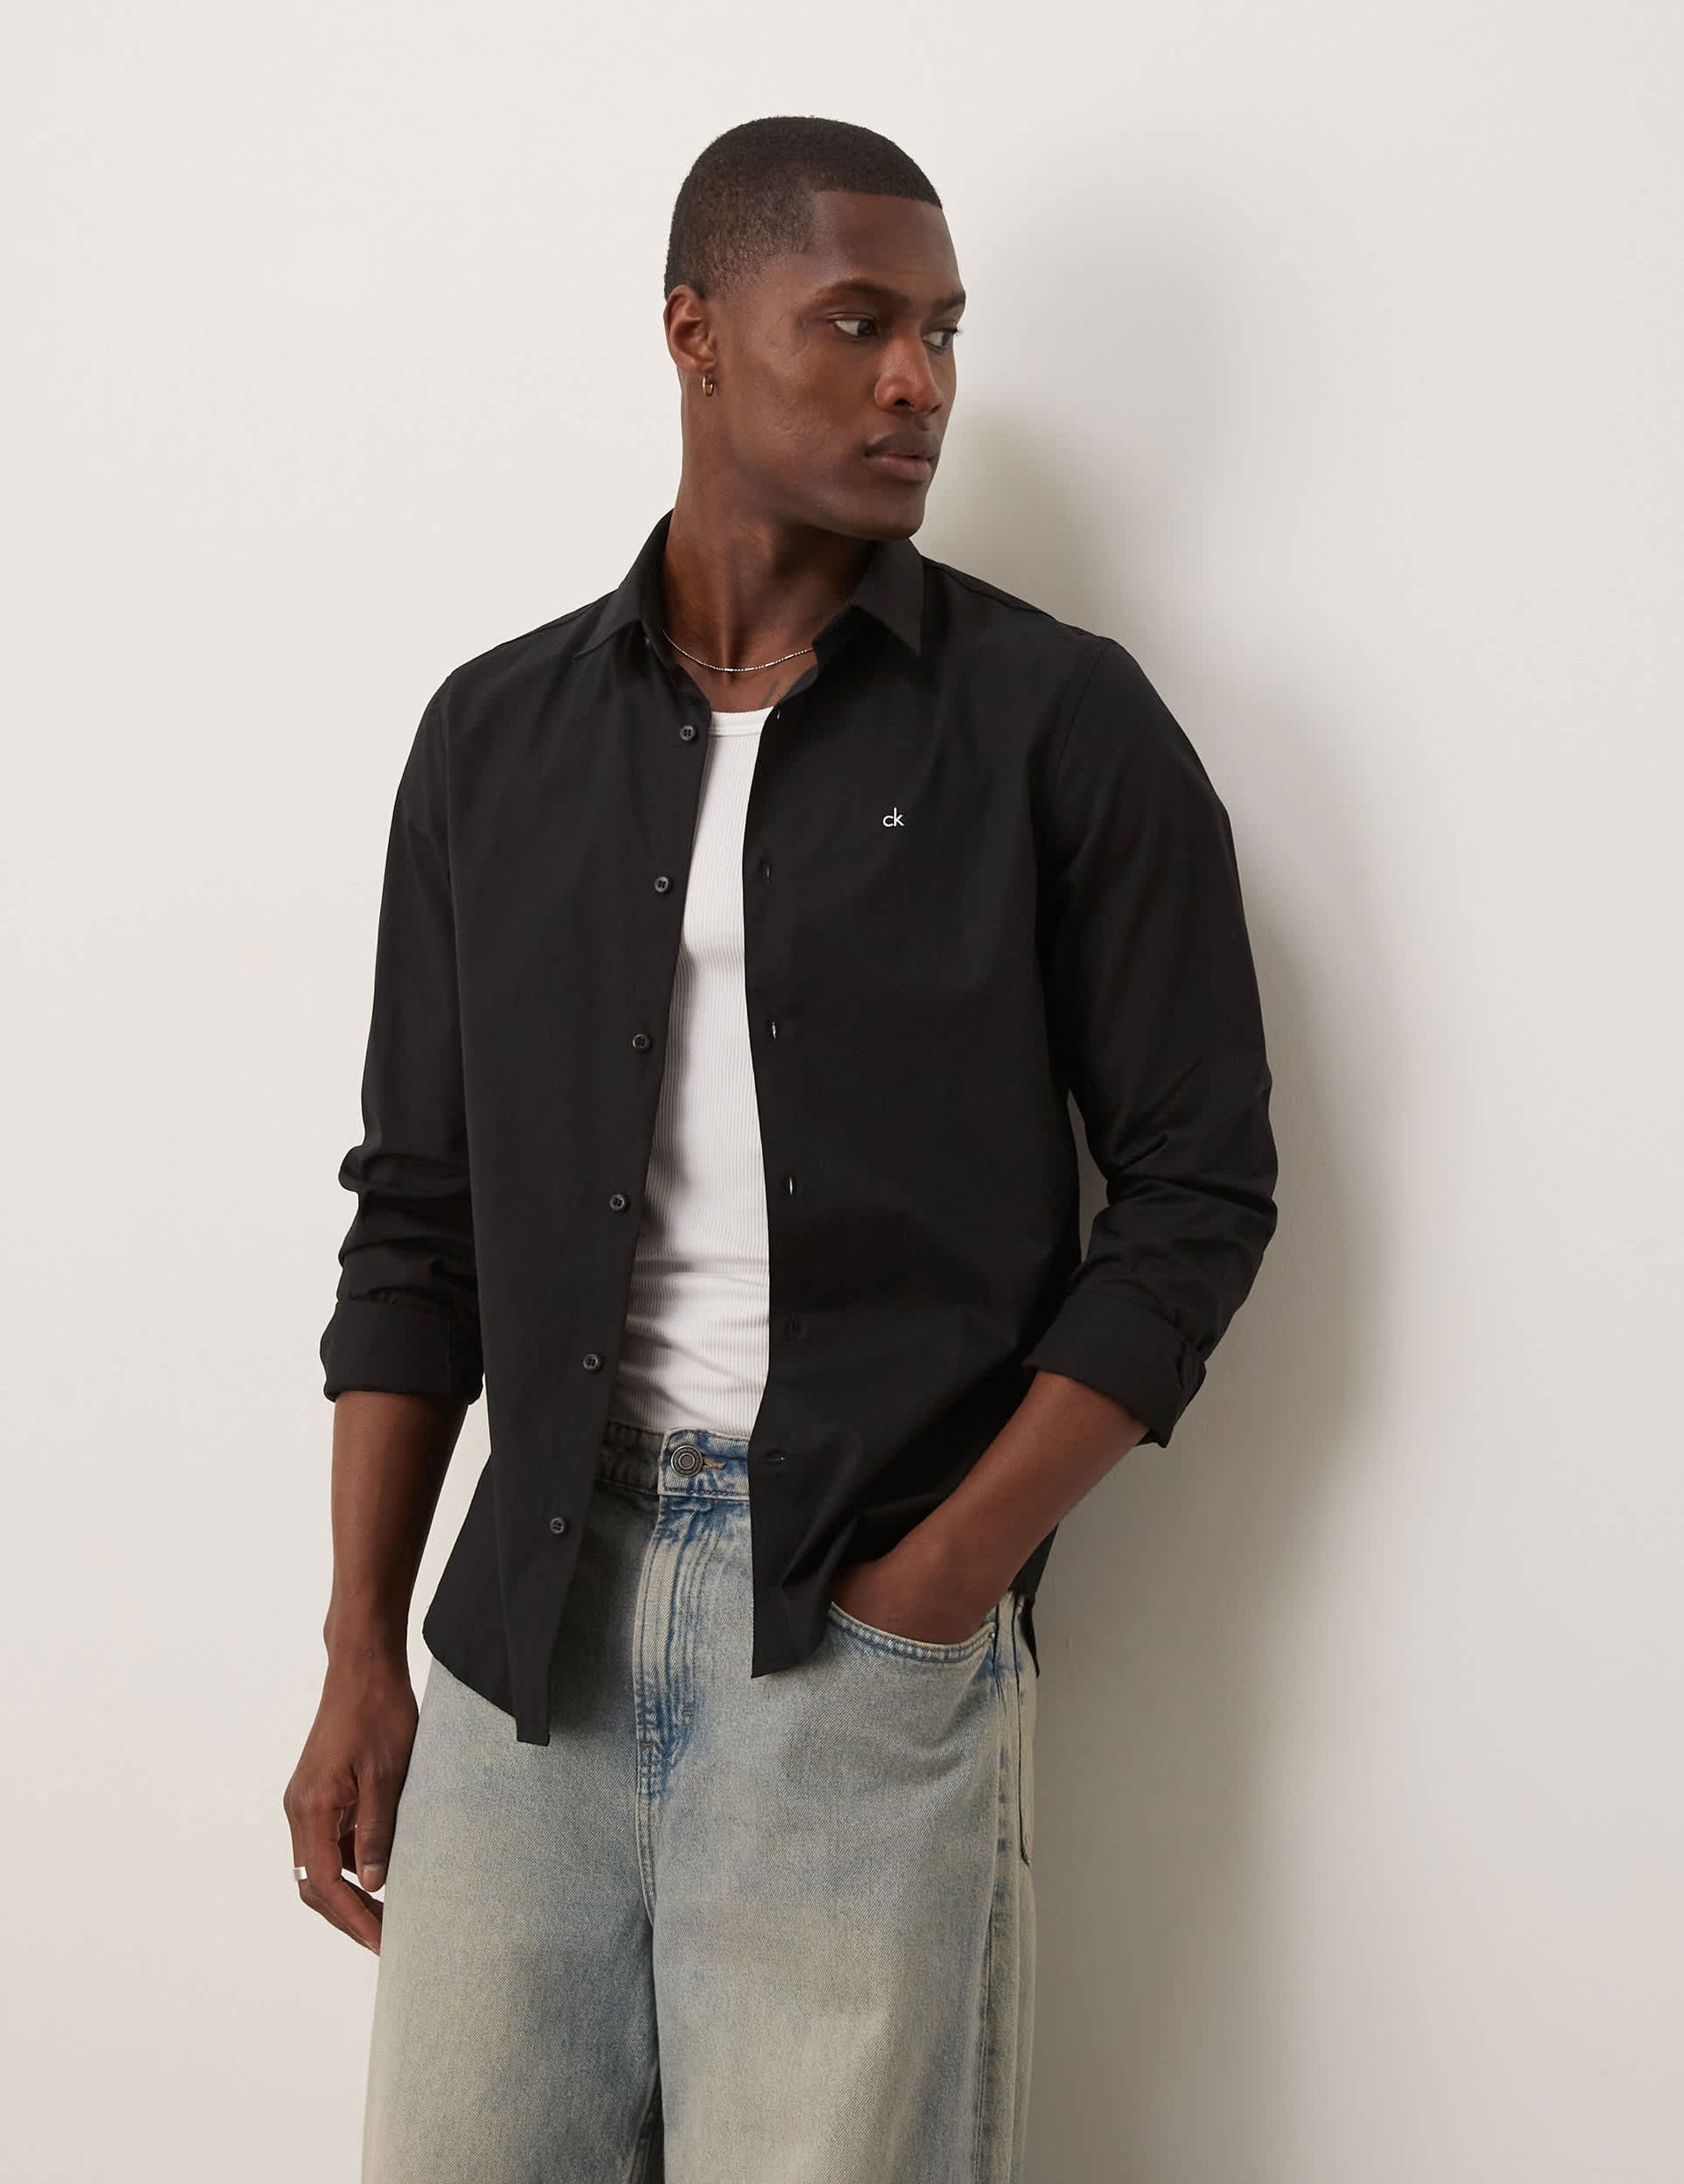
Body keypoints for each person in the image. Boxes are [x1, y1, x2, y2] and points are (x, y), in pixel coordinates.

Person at [284, 113, 1278, 2184]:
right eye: (855, 322)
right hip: (524, 1630)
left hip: (860, 1629)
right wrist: (361, 1645)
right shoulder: (495, 738)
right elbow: (418, 1220)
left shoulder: (1058, 726)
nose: (917, 381)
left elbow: (1196, 1195)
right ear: (694, 333)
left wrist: (943, 1583)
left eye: (943, 333)